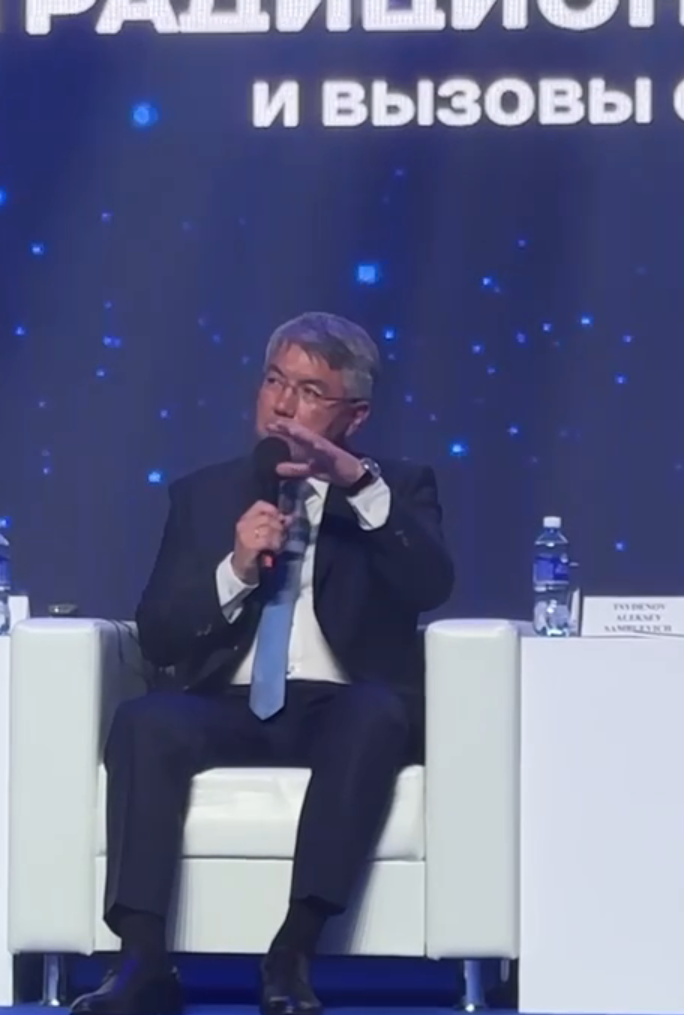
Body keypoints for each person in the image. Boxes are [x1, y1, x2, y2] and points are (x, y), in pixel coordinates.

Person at [73, 312, 454, 1015]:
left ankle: (291, 954)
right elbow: (158, 634)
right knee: (143, 722)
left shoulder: (397, 490)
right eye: (275, 381)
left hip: (340, 705)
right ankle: (142, 961)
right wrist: (237, 569)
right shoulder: (203, 494)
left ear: (354, 414)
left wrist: (358, 486)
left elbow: (431, 583)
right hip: (228, 703)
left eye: (309, 391)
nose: (283, 404)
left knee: (377, 713)